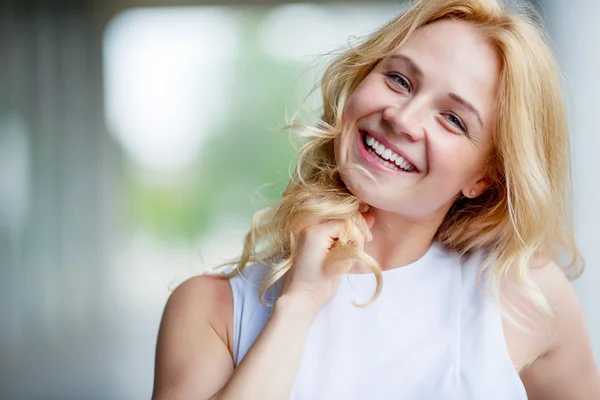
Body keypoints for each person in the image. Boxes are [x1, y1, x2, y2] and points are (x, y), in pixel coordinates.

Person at [152, 0, 600, 398]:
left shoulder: (526, 296)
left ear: (485, 178)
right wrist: (298, 307)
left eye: (452, 119)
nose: (401, 118)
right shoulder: (209, 309)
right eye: (399, 80)